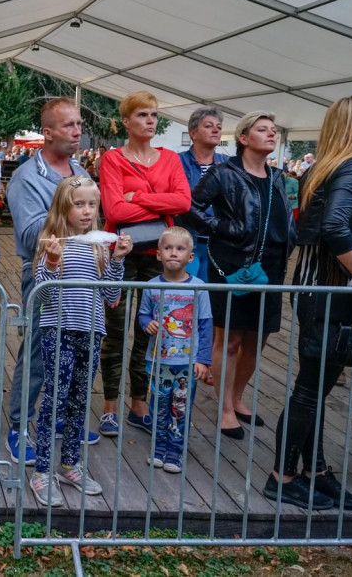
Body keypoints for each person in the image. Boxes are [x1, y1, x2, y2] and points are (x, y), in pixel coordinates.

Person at [264, 95, 352, 510]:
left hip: (317, 290)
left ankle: (316, 470)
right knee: (311, 390)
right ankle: (282, 477)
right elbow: (336, 226)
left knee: (315, 388)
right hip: (332, 294)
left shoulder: (324, 167)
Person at [183, 111, 294, 439]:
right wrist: (222, 227)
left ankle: (236, 396)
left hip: (271, 268)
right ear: (244, 138)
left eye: (273, 129)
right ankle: (225, 409)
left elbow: (284, 219)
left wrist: (291, 239)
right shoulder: (224, 173)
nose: (271, 133)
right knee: (230, 339)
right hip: (232, 265)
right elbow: (190, 206)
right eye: (263, 129)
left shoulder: (277, 176)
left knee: (258, 337)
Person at [30, 176, 131, 506]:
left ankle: (69, 464)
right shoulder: (51, 243)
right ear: (63, 207)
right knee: (54, 401)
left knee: (78, 400)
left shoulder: (99, 247)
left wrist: (118, 260)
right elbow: (42, 292)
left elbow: (112, 296)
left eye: (92, 204)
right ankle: (41, 471)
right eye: (79, 204)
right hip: (58, 331)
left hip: (92, 331)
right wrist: (52, 261)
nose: (87, 211)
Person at [98, 91, 191, 438]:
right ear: (126, 121)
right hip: (121, 252)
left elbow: (184, 201)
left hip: (158, 254)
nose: (150, 121)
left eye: (153, 115)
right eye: (142, 115)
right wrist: (160, 205)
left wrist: (137, 197)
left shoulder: (170, 159)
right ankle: (109, 407)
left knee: (149, 331)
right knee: (114, 330)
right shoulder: (113, 159)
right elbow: (114, 209)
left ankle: (139, 405)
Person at [4, 97, 88, 465]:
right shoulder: (26, 177)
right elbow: (28, 236)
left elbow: (93, 221)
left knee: (76, 350)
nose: (78, 131)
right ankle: (19, 426)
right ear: (48, 132)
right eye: (69, 125)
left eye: (79, 124)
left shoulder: (80, 171)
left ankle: (59, 420)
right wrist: (74, 214)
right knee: (38, 352)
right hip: (44, 275)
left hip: (83, 273)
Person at [138, 227, 212, 474]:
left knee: (180, 407)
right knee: (158, 406)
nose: (173, 253)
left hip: (186, 362)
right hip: (158, 360)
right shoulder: (151, 286)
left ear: (190, 257)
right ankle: (158, 447)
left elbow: (205, 324)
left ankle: (175, 449)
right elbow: (143, 314)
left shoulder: (199, 287)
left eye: (180, 249)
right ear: (158, 254)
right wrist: (147, 323)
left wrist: (203, 359)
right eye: (168, 248)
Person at [177, 107, 229, 281]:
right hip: (185, 238)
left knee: (210, 293)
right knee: (185, 291)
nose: (215, 130)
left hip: (218, 241)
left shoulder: (229, 164)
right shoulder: (177, 161)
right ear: (193, 133)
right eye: (208, 126)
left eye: (219, 127)